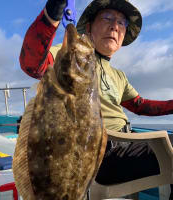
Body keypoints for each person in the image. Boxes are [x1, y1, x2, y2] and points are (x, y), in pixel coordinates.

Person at [19, 0, 173, 198]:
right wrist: (52, 14)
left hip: (126, 143)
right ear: (89, 27)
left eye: (122, 23)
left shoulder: (119, 75)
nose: (115, 26)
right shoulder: (74, 54)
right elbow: (32, 64)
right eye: (107, 18)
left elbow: (140, 105)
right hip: (102, 153)